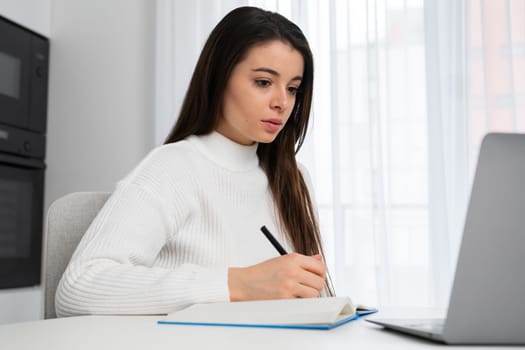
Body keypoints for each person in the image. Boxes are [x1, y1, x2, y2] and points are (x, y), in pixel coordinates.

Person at [55, 6, 333, 317]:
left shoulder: (295, 179)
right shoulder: (173, 168)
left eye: (293, 88)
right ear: (219, 77)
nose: (282, 102)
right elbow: (78, 288)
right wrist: (238, 284)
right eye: (264, 82)